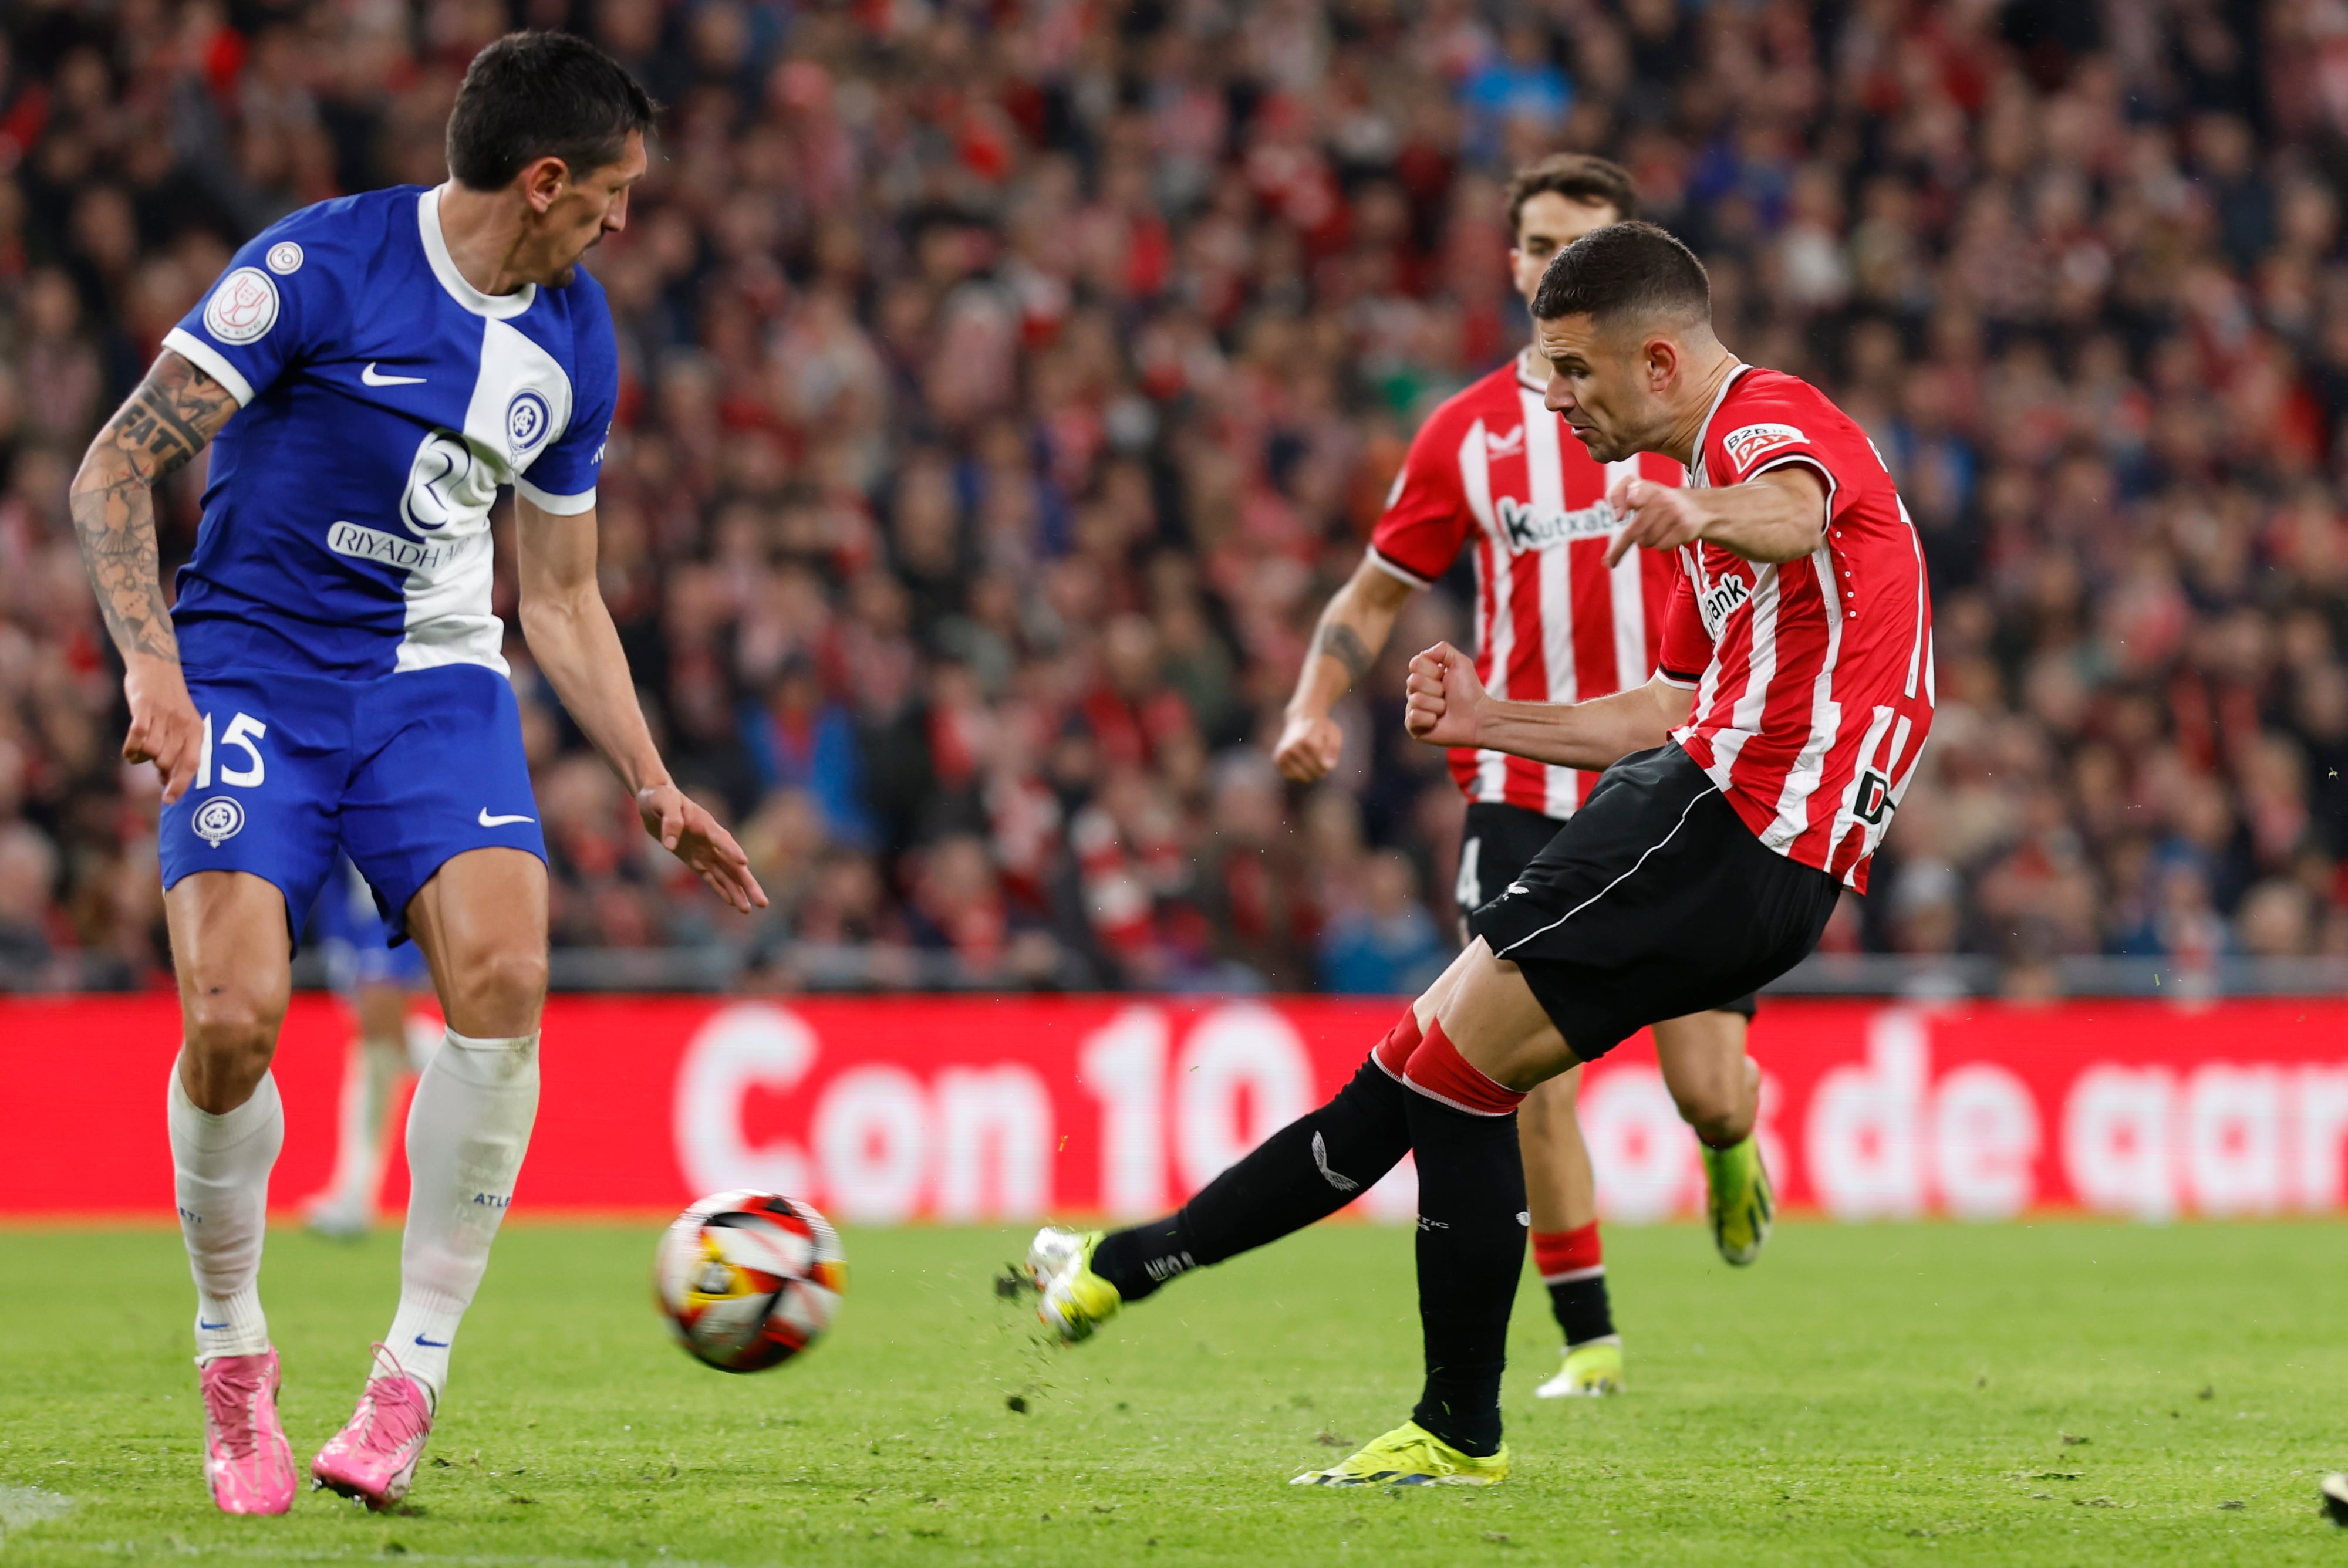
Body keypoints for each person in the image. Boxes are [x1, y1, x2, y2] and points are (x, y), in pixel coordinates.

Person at [1028, 220, 1934, 1486]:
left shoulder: (1757, 426)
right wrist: (1485, 721)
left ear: (1657, 361)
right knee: (1407, 1070)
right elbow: (1661, 710)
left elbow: (1791, 511)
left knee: (1454, 1077)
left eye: (1574, 370)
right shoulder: (1693, 503)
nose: (1555, 396)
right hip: (1733, 828)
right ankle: (1123, 1269)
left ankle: (1459, 1423)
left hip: (1726, 824)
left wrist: (1694, 510)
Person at [67, 32, 764, 1517]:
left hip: (433, 680)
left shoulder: (574, 338)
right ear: (545, 178)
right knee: (235, 1019)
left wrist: (650, 776)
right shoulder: (318, 269)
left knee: (507, 975)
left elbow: (562, 597)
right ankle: (231, 1342)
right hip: (250, 668)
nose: (623, 227)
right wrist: (154, 667)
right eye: (614, 195)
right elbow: (114, 464)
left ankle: (409, 1375)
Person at [1274, 152, 1772, 1401]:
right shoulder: (1465, 433)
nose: (1555, 261)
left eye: (1582, 242)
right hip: (1524, 787)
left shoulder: (1685, 414)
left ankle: (1730, 1146)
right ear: (1511, 261)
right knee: (1513, 1067)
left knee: (1706, 1094)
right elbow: (1374, 589)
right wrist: (1312, 700)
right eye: (1538, 241)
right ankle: (1588, 1340)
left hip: (1679, 773)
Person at [301, 854, 439, 1239]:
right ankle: (354, 1197)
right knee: (373, 1053)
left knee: (378, 1034)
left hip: (398, 899)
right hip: (345, 909)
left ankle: (353, 1197)